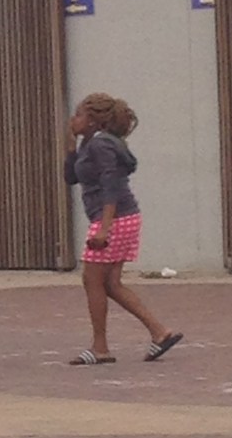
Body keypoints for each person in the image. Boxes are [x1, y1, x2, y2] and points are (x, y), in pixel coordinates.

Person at [64, 93, 183, 365]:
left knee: (92, 280)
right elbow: (70, 178)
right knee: (111, 284)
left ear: (93, 120)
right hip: (120, 217)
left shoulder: (101, 146)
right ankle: (160, 332)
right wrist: (71, 146)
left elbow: (111, 185)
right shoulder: (89, 144)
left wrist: (104, 228)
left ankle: (100, 347)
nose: (74, 119)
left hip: (113, 219)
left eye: (79, 115)